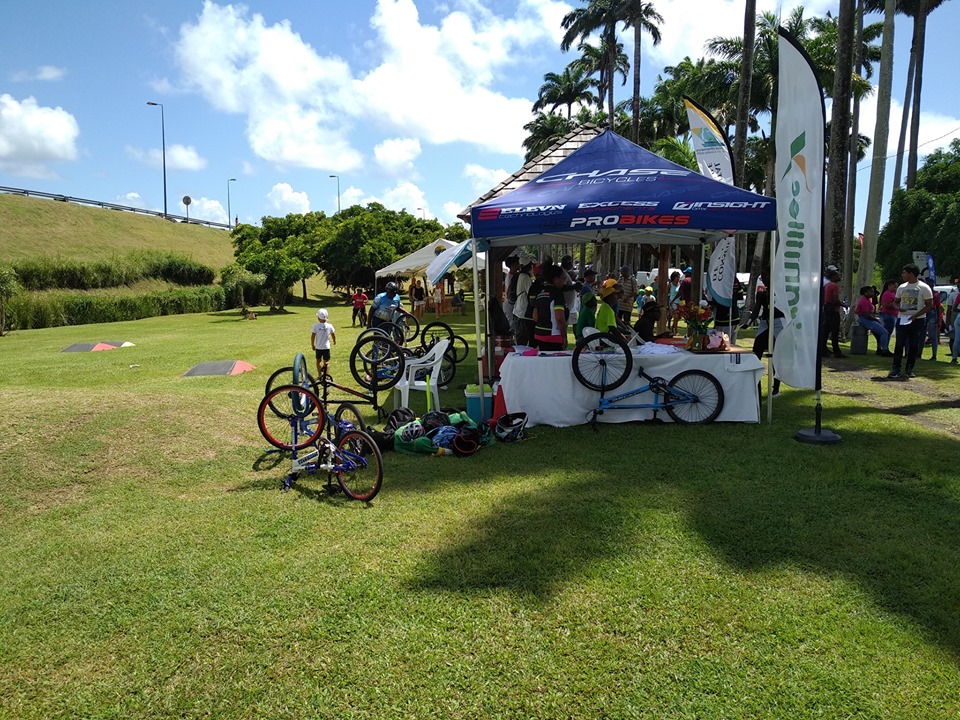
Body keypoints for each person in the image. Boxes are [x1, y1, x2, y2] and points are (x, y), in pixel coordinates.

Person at [888, 263, 933, 379]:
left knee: (913, 345)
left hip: (918, 320)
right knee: (899, 344)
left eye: (904, 273)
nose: (902, 275)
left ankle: (909, 368)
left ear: (911, 273)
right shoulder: (902, 287)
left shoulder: (924, 287)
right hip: (902, 319)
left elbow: (929, 305)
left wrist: (916, 315)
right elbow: (896, 302)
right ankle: (895, 368)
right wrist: (898, 308)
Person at [748, 285, 784, 396]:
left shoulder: (780, 291)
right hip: (765, 323)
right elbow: (757, 307)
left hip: (777, 323)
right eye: (763, 276)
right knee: (755, 353)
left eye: (766, 275)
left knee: (776, 356)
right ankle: (753, 384)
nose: (764, 278)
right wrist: (750, 321)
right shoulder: (761, 293)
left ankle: (776, 388)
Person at [531, 264, 568, 350]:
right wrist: (564, 336)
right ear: (556, 279)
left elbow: (535, 317)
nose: (564, 282)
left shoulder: (540, 293)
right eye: (563, 278)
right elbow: (559, 318)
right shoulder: (557, 294)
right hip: (553, 336)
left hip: (539, 334)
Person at [854, 286, 892, 356]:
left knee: (878, 334)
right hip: (864, 319)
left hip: (867, 318)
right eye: (871, 292)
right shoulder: (864, 301)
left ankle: (879, 349)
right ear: (865, 293)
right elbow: (866, 315)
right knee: (884, 332)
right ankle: (884, 350)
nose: (873, 293)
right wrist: (876, 320)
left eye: (873, 291)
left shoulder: (869, 299)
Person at [821, 269, 845, 358]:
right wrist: (843, 304)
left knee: (826, 330)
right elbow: (835, 300)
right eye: (837, 275)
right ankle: (837, 351)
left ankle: (823, 349)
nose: (839, 277)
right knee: (835, 331)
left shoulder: (827, 285)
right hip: (833, 310)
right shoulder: (834, 286)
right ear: (833, 277)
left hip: (827, 309)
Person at [512, 254, 534, 345]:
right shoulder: (525, 277)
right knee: (523, 339)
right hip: (523, 311)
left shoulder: (520, 276)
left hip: (518, 310)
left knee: (521, 337)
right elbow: (531, 292)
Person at [310, 308, 336, 378]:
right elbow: (333, 334)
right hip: (326, 347)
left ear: (318, 317)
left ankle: (319, 375)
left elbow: (312, 336)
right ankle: (326, 376)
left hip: (318, 347)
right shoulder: (330, 326)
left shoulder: (315, 326)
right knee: (327, 362)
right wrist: (334, 341)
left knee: (318, 361)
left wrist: (312, 345)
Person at [574, 266, 598, 340]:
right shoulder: (585, 287)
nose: (594, 277)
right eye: (592, 276)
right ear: (587, 277)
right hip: (587, 311)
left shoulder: (589, 286)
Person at [922, 282, 943, 360]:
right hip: (924, 313)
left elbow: (938, 306)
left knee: (933, 335)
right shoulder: (923, 292)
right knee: (922, 334)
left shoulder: (936, 294)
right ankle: (918, 353)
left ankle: (934, 355)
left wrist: (938, 318)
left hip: (932, 313)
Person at [951, 289, 960, 364]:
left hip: (958, 318)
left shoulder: (959, 295)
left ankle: (954, 358)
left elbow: (954, 308)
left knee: (957, 340)